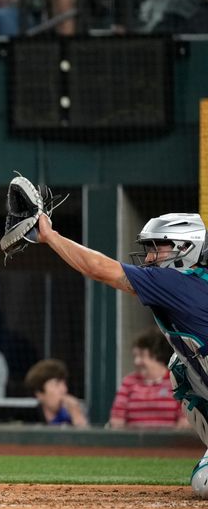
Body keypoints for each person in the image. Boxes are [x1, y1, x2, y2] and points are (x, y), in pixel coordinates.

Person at [36, 211, 208, 496]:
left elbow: (98, 268)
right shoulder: (191, 282)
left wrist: (50, 236)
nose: (150, 257)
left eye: (158, 247)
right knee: (180, 366)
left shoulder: (177, 281)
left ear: (186, 248)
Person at [109, 329, 187, 429]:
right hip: (133, 443)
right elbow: (116, 420)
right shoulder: (128, 382)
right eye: (135, 356)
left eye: (141, 355)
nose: (136, 361)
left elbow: (185, 422)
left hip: (169, 443)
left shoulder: (177, 382)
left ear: (157, 355)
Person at [24, 358, 87, 427]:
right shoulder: (28, 421)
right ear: (40, 394)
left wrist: (76, 414)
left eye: (64, 383)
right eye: (56, 384)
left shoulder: (71, 416)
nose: (64, 389)